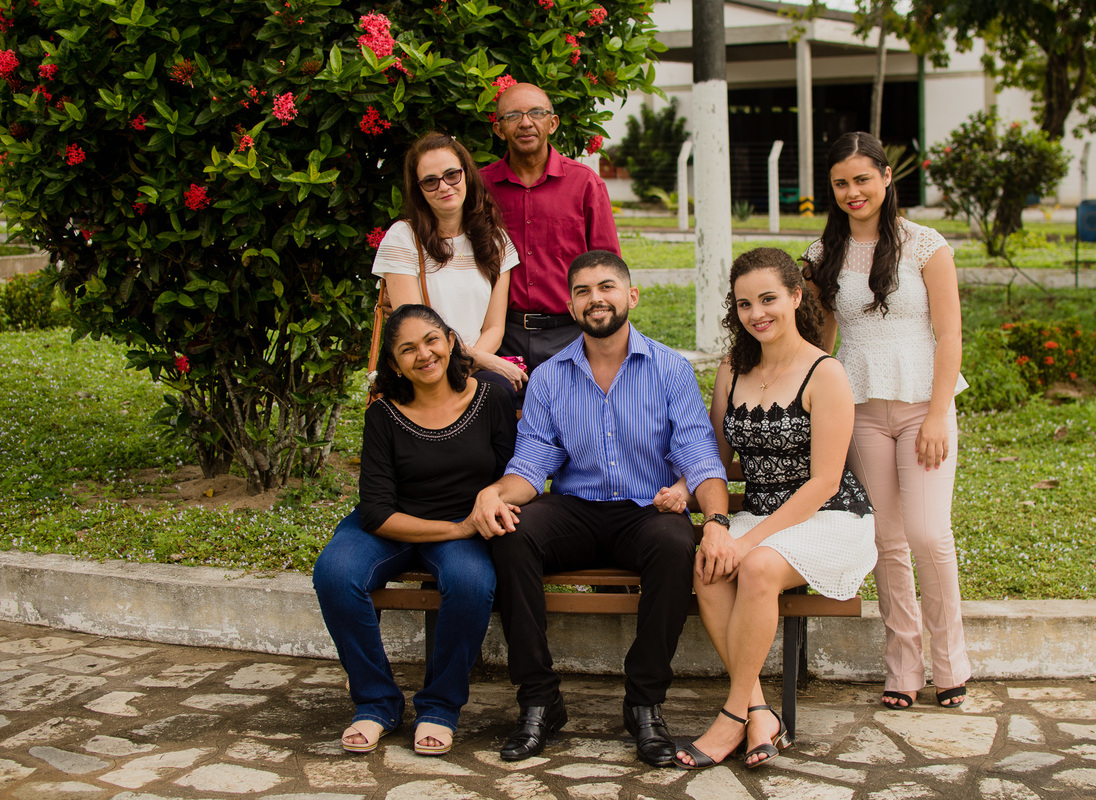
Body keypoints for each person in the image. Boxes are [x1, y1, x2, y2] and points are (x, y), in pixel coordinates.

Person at [468, 250, 731, 767]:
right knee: (513, 535)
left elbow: (702, 460)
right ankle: (540, 699)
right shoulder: (550, 377)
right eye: (584, 291)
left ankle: (644, 703)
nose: (596, 299)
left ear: (631, 296)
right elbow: (530, 466)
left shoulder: (670, 370)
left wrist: (716, 521)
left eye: (607, 287)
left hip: (645, 510)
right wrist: (492, 495)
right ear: (570, 306)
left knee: (676, 542)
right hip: (575, 508)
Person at [669, 248, 876, 770]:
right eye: (744, 304)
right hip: (757, 513)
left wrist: (747, 540)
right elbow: (713, 455)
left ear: (795, 297)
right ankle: (760, 710)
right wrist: (681, 487)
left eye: (768, 299)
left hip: (827, 516)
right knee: (710, 567)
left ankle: (731, 716)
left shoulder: (826, 374)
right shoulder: (732, 371)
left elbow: (825, 481)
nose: (756, 313)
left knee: (754, 565)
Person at [801, 131, 971, 710]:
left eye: (862, 179)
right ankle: (903, 668)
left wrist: (939, 414)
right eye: (841, 183)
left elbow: (949, 335)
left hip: (925, 404)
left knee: (928, 534)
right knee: (887, 540)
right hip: (860, 408)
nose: (853, 192)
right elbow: (820, 339)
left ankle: (951, 664)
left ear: (886, 177)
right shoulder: (821, 256)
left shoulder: (927, 246)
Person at [313, 305, 516, 756]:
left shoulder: (492, 397)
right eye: (408, 349)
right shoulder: (384, 416)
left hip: (465, 524)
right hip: (393, 526)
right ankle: (375, 702)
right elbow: (377, 513)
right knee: (334, 572)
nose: (423, 355)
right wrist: (456, 529)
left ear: (450, 341)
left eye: (431, 340)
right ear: (394, 364)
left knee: (470, 582)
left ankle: (440, 708)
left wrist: (479, 514)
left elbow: (515, 475)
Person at [480, 83, 622, 373]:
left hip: (570, 333)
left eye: (536, 113)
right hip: (501, 335)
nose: (526, 123)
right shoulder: (481, 187)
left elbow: (609, 266)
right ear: (499, 129)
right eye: (513, 116)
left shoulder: (584, 184)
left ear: (553, 123)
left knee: (572, 416)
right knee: (505, 415)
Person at [373, 131, 527, 394]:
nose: (444, 186)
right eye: (430, 181)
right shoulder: (403, 238)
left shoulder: (496, 241)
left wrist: (465, 367)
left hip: (473, 374)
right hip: (424, 373)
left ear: (466, 174)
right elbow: (414, 328)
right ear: (418, 189)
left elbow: (494, 327)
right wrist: (482, 361)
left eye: (452, 175)